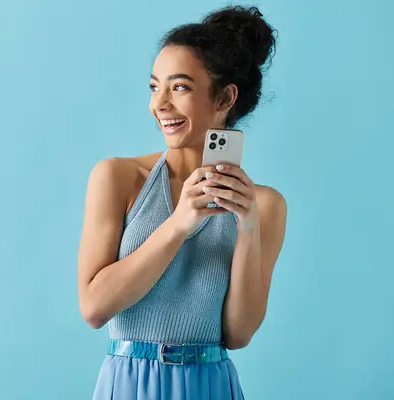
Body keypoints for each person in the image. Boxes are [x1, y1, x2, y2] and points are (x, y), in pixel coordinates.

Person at [77, 5, 288, 399]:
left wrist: (247, 225)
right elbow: (94, 307)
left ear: (225, 97)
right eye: (154, 87)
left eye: (180, 87)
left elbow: (238, 334)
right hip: (129, 382)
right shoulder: (117, 177)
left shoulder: (265, 206)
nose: (160, 104)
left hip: (210, 384)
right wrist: (179, 224)